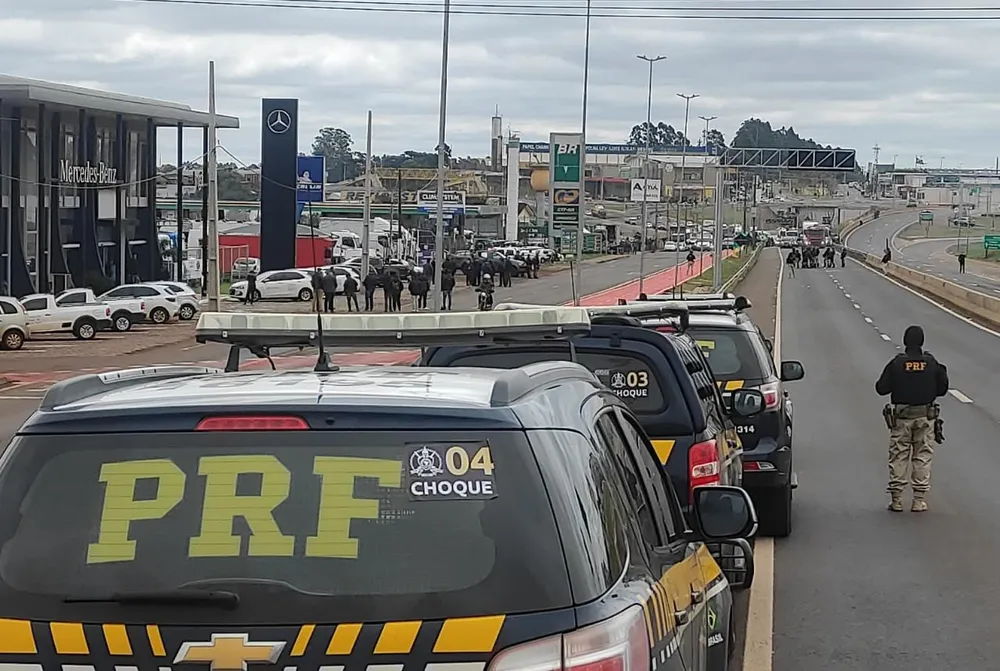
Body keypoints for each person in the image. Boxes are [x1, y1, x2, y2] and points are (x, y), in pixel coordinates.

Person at [875, 325, 949, 512]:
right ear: (922, 342)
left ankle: (897, 499)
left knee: (899, 455)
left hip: (902, 418)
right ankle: (918, 500)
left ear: (905, 342)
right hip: (925, 417)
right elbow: (942, 389)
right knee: (922, 456)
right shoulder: (932, 363)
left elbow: (881, 388)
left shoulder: (897, 364)